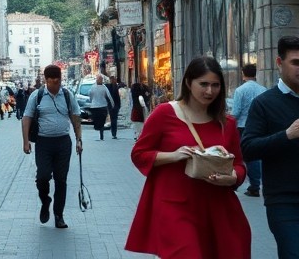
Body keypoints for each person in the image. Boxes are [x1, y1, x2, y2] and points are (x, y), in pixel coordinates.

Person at [125, 56, 250, 259]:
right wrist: (174, 156)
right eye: (203, 84)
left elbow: (238, 165)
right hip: (176, 208)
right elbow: (139, 154)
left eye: (215, 85)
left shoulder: (227, 123)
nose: (209, 91)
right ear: (188, 82)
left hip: (219, 209)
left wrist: (234, 177)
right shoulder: (165, 113)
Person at [242, 35, 299, 259]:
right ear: (279, 62)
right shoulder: (264, 103)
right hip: (284, 201)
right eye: (295, 62)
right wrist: (286, 135)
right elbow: (248, 148)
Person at [21, 64, 82, 229]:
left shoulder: (68, 95)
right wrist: (25, 141)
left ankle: (58, 215)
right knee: (42, 176)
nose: (56, 85)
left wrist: (78, 140)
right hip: (43, 143)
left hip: (63, 142)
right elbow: (26, 117)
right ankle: (45, 200)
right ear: (46, 80)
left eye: (58, 81)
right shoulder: (37, 95)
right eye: (52, 81)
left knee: (61, 180)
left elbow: (75, 117)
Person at [230, 62, 266, 198]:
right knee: (258, 154)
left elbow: (236, 111)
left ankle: (251, 184)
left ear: (243, 74)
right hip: (260, 126)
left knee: (244, 155)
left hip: (243, 126)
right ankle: (257, 183)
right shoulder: (263, 89)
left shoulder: (240, 90)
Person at [87, 75, 113, 140]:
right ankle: (100, 130)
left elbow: (90, 95)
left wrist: (112, 104)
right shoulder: (102, 87)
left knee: (99, 120)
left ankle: (100, 131)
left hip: (98, 106)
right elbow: (109, 96)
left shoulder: (95, 87)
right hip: (101, 106)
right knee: (101, 121)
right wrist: (112, 105)